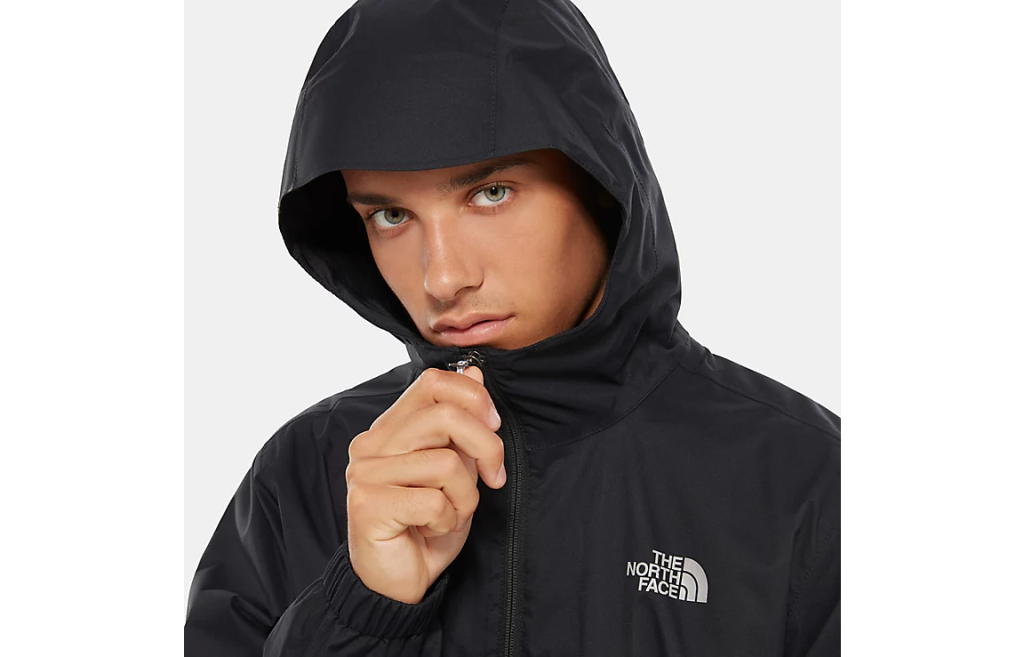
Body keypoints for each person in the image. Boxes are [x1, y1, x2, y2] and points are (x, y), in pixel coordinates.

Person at [184, 0, 841, 655]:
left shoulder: (807, 482)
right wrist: (363, 607)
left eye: (490, 193)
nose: (443, 278)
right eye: (390, 216)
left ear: (601, 183)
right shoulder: (304, 471)